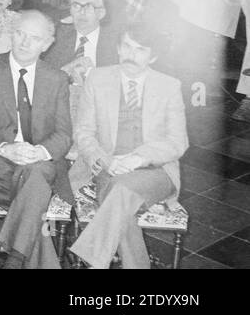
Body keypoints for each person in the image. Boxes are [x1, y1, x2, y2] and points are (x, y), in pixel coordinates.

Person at [0, 10, 72, 269]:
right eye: (20, 33)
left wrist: (40, 151)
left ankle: (15, 259)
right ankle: (18, 259)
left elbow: (64, 135)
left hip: (35, 165)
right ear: (12, 33)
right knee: (37, 187)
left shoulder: (57, 79)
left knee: (38, 171)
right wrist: (4, 148)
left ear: (47, 43)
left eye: (34, 38)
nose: (24, 42)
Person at [68, 26, 189, 269]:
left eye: (140, 50)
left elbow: (178, 142)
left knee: (118, 193)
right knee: (120, 199)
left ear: (153, 56)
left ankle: (92, 258)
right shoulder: (98, 78)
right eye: (126, 47)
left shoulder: (169, 86)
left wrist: (139, 158)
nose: (130, 55)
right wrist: (105, 160)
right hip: (107, 169)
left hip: (155, 172)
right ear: (118, 48)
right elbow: (83, 132)